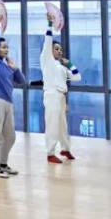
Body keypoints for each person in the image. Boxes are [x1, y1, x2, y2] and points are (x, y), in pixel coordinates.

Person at [0, 16, 26, 178]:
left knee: (10, 136)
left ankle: (3, 163)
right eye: (3, 47)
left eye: (7, 47)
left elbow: (22, 81)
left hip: (8, 102)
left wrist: (15, 68)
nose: (6, 49)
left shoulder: (7, 66)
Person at [41, 18, 81, 164]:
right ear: (50, 51)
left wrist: (69, 64)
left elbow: (77, 77)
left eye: (60, 49)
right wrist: (50, 24)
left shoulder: (62, 67)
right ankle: (50, 153)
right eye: (56, 49)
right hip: (51, 95)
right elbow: (47, 42)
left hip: (61, 97)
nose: (59, 51)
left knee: (62, 125)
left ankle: (65, 149)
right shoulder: (47, 60)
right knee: (52, 124)